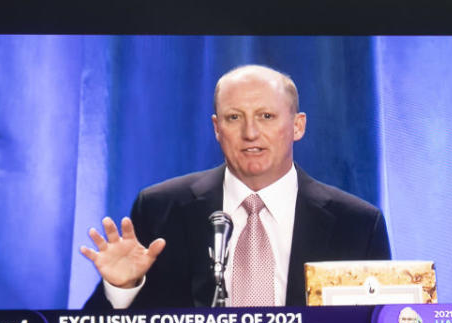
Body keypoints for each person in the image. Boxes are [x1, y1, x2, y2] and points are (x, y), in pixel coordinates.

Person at [80, 64, 391, 310]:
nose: (250, 132)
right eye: (234, 117)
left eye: (266, 116)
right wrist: (122, 289)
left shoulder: (358, 224)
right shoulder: (161, 209)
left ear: (298, 126)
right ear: (217, 128)